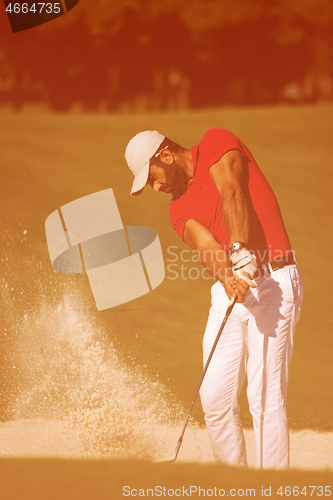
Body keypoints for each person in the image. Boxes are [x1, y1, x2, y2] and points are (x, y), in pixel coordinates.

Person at [124, 128, 303, 468]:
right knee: (215, 396)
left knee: (263, 394)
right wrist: (229, 277)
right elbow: (206, 247)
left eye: (152, 179)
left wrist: (239, 250)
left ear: (165, 155)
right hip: (232, 292)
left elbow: (233, 193)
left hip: (274, 283)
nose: (156, 187)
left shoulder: (216, 144)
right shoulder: (177, 211)